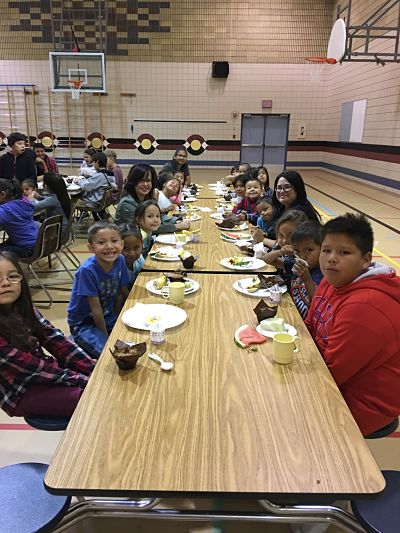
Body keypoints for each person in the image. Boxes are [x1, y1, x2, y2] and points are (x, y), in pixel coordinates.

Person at [306, 213, 400, 437]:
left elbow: (330, 376)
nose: (331, 259)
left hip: (362, 405)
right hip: (333, 378)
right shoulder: (333, 280)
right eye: (326, 250)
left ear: (366, 259)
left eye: (344, 252)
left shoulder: (366, 307)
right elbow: (309, 324)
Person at [0, 251, 95, 417]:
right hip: (20, 392)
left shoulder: (24, 308)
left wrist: (91, 367)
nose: (6, 283)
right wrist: (87, 380)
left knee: (96, 371)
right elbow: (34, 368)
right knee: (90, 400)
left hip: (42, 372)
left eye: (13, 276)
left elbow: (55, 339)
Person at [68, 221, 130, 359]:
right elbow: (96, 310)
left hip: (108, 315)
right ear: (91, 247)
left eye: (114, 241)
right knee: (110, 354)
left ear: (121, 244)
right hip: (85, 323)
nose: (109, 246)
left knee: (133, 338)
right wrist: (106, 337)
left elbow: (123, 290)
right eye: (101, 242)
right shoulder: (87, 271)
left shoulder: (120, 260)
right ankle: (77, 338)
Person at [115, 164, 189, 234]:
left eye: (148, 180)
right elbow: (146, 228)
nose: (145, 184)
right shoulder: (127, 203)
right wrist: (176, 226)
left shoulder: (147, 198)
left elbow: (158, 216)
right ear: (133, 182)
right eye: (141, 180)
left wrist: (176, 220)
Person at [262, 209, 308, 284]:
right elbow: (265, 258)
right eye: (281, 235)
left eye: (290, 236)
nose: (284, 241)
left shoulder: (302, 258)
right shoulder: (280, 247)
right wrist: (279, 252)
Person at [290, 221, 323, 319]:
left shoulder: (324, 275)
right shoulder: (298, 265)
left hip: (307, 325)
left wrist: (307, 280)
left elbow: (317, 306)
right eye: (297, 251)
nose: (302, 256)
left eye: (309, 250)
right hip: (293, 315)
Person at [0, 178, 38, 256]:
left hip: (26, 248)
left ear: (3, 194)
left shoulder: (5, 210)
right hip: (37, 243)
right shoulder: (24, 201)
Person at [76, 152, 116, 220]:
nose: (93, 165)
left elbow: (87, 186)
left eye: (94, 162)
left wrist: (79, 181)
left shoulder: (100, 175)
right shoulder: (109, 174)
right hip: (102, 201)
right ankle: (97, 218)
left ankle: (71, 222)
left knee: (73, 200)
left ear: (97, 162)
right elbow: (91, 182)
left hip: (94, 202)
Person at [33, 173, 72, 239]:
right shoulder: (62, 195)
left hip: (56, 233)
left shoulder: (53, 199)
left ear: (46, 186)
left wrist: (28, 199)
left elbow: (34, 206)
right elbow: (48, 200)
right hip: (60, 229)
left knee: (28, 223)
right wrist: (39, 197)